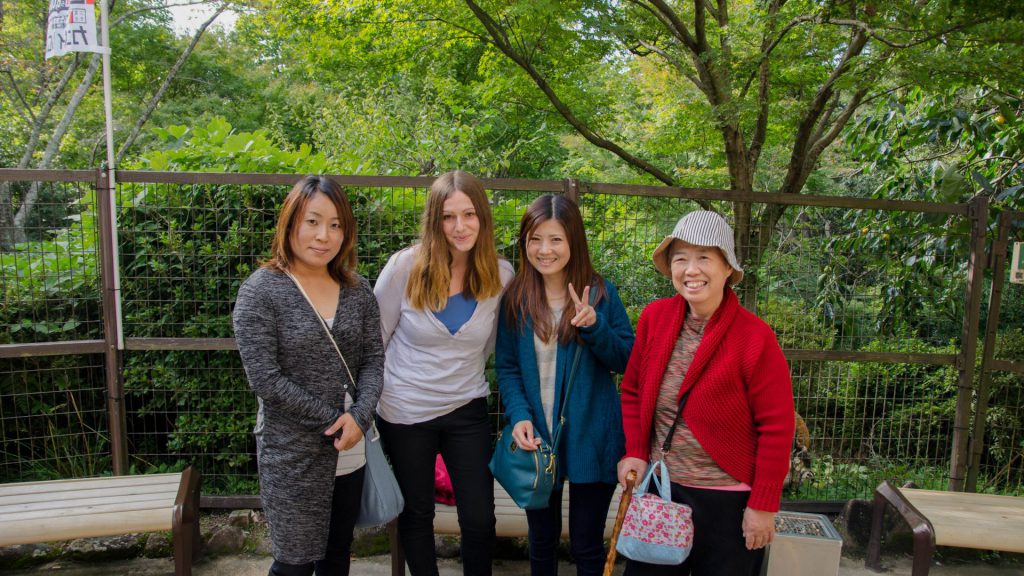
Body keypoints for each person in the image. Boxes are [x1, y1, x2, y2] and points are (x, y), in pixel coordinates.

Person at [618, 210, 795, 576]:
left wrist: (762, 504)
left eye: (704, 258)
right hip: (661, 490)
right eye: (680, 257)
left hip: (727, 501)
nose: (691, 269)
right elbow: (633, 390)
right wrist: (635, 452)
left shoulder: (755, 338)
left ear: (727, 268)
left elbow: (777, 427)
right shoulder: (655, 318)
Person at [233, 176, 384, 576]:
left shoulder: (357, 289)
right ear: (290, 223)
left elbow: (373, 360)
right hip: (290, 453)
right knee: (294, 563)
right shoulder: (260, 291)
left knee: (337, 556)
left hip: (350, 448)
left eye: (335, 225)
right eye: (313, 221)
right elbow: (266, 379)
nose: (324, 236)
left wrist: (360, 417)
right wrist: (335, 420)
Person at [374, 170, 514, 576]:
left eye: (469, 214)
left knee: (479, 518)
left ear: (482, 218)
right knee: (417, 514)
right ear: (434, 222)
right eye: (448, 217)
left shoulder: (501, 275)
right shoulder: (404, 268)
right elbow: (375, 340)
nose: (459, 226)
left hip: (466, 406)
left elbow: (492, 346)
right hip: (404, 410)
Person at [495, 194, 634, 576]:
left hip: (593, 435)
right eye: (535, 238)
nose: (545, 250)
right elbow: (506, 367)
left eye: (556, 239)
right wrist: (520, 415)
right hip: (538, 441)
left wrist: (594, 326)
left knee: (588, 546)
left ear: (574, 241)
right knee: (541, 544)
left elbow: (627, 359)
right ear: (524, 242)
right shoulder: (517, 298)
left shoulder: (601, 294)